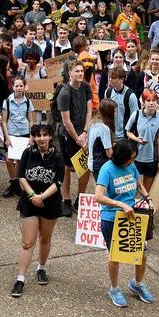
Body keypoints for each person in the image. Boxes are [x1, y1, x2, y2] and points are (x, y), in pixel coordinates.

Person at [94, 138, 154, 308]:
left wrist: (148, 198)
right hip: (112, 218)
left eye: (134, 158)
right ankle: (114, 288)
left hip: (132, 216)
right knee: (115, 255)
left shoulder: (131, 166)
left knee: (141, 252)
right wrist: (120, 204)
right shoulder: (107, 169)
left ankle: (137, 283)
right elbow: (99, 196)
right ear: (121, 157)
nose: (132, 162)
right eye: (130, 158)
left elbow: (139, 184)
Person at [11, 124, 64, 297]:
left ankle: (41, 267)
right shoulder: (28, 153)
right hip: (29, 202)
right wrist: (33, 195)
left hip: (51, 202)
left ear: (50, 137)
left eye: (45, 135)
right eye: (38, 135)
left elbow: (58, 182)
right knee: (27, 242)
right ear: (33, 137)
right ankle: (20, 279)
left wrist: (42, 197)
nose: (41, 138)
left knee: (45, 238)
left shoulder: (57, 156)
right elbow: (21, 177)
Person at [57, 62, 94, 217]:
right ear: (70, 73)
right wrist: (77, 138)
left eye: (82, 71)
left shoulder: (86, 87)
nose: (80, 73)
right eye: (77, 71)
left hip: (83, 133)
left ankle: (81, 198)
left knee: (84, 167)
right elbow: (66, 121)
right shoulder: (64, 92)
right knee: (66, 167)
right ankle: (66, 199)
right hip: (68, 135)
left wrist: (85, 132)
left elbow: (89, 112)